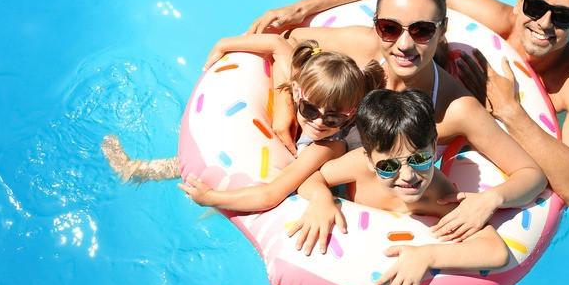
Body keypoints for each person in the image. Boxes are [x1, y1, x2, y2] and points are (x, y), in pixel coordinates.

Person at [249, 0, 569, 208]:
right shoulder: (487, 21)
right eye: (534, 7)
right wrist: (302, 9)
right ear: (520, 0)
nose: (543, 23)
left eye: (561, 16)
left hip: (455, 132)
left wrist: (511, 110)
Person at [259, 0, 547, 244]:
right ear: (377, 26)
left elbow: (531, 175)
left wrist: (490, 200)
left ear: (442, 29)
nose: (404, 44)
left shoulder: (455, 107)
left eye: (422, 31)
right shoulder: (362, 49)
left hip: (378, 212)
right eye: (389, 28)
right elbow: (291, 41)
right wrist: (285, 112)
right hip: (317, 186)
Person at [103, 35, 384, 213]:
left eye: (333, 117)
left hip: (325, 176)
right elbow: (278, 45)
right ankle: (136, 170)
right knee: (218, 152)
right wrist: (223, 45)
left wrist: (211, 198)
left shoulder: (328, 145)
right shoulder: (302, 83)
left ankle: (137, 171)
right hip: (285, 133)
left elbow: (271, 195)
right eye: (309, 109)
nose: (320, 121)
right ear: (298, 92)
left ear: (351, 113)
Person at [294, 88, 509, 285]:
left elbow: (495, 251)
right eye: (388, 166)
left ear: (434, 149)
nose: (408, 176)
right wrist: (321, 199)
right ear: (369, 159)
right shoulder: (360, 166)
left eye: (420, 159)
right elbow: (311, 178)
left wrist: (428, 256)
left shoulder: (438, 195)